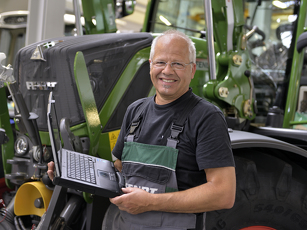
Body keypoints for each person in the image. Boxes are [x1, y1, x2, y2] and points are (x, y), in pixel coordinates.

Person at [48, 29, 236, 230]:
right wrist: (74, 175)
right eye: (161, 62)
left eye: (178, 64)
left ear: (192, 70)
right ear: (150, 66)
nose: (167, 71)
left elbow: (223, 194)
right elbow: (119, 169)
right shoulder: (135, 111)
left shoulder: (206, 117)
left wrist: (151, 202)